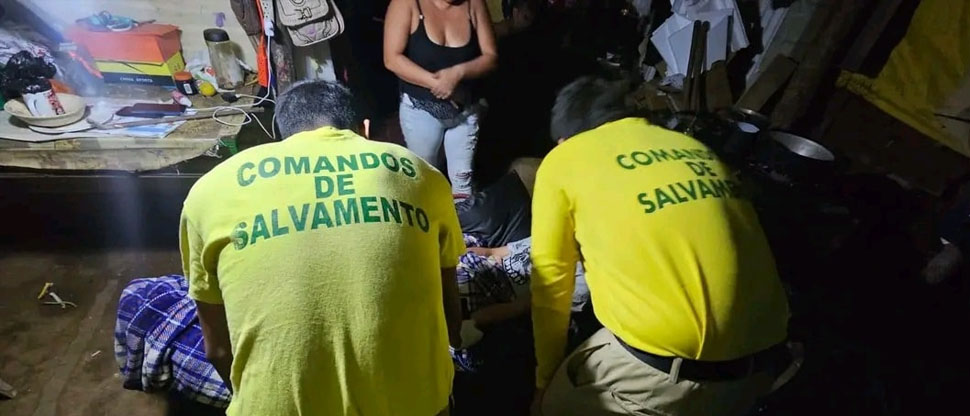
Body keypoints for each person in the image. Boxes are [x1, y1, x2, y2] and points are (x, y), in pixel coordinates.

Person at [180, 80, 466, 416]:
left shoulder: (210, 190)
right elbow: (449, 311)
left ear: (281, 140)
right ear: (364, 130)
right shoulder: (422, 174)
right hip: (414, 403)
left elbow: (216, 350)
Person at [529, 77, 791, 416]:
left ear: (565, 139)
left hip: (663, 376)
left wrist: (545, 381)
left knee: (553, 407)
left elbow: (551, 282)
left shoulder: (564, 159)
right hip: (763, 366)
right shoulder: (693, 147)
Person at [384, 0, 498, 198]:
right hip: (421, 108)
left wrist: (458, 73)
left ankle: (463, 218)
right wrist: (436, 83)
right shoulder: (407, 3)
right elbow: (392, 59)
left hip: (466, 108)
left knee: (463, 181)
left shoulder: (474, 3)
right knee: (425, 179)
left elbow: (491, 56)